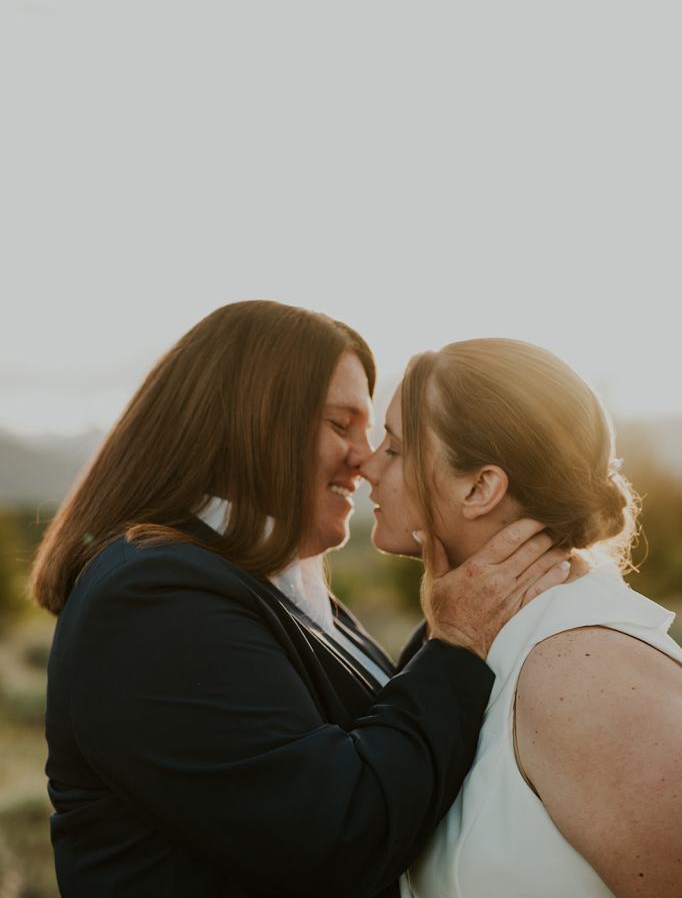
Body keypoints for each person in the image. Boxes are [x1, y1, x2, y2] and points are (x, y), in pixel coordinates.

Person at [31, 303, 569, 898]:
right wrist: (458, 644)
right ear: (251, 423)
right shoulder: (153, 603)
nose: (365, 459)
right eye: (342, 425)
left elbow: (382, 735)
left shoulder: (273, 586)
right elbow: (334, 835)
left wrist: (471, 603)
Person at [360, 338, 682, 898]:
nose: (367, 466)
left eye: (393, 448)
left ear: (480, 487)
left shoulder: (586, 674)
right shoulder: (492, 645)